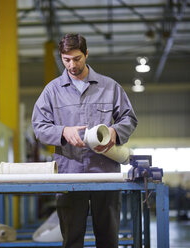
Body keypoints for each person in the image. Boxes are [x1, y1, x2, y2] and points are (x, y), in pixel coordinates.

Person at [31, 34, 138, 248]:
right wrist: (63, 132)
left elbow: (129, 118)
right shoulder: (52, 91)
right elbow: (39, 127)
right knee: (71, 239)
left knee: (108, 239)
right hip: (68, 174)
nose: (72, 65)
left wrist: (115, 132)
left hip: (105, 172)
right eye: (66, 59)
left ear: (87, 54)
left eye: (77, 58)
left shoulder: (109, 87)